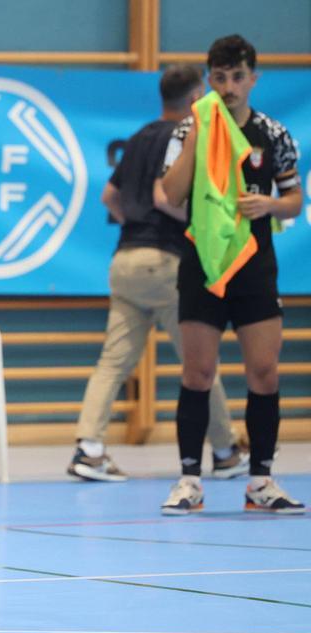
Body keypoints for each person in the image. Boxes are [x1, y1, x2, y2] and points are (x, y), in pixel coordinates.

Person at [68, 65, 247, 483]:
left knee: (113, 361)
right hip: (167, 262)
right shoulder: (186, 137)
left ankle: (88, 448)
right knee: (199, 362)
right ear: (193, 100)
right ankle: (224, 451)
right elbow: (162, 198)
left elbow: (109, 196)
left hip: (127, 260)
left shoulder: (139, 138)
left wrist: (135, 223)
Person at [160, 35, 304, 515]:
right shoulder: (188, 130)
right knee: (198, 373)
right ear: (209, 80)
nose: (228, 87)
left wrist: (269, 205)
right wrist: (199, 141)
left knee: (263, 372)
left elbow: (294, 199)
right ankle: (188, 481)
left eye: (237, 77)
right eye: (219, 78)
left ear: (253, 79)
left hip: (255, 267)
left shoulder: (274, 134)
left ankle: (260, 480)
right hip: (204, 264)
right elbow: (172, 194)